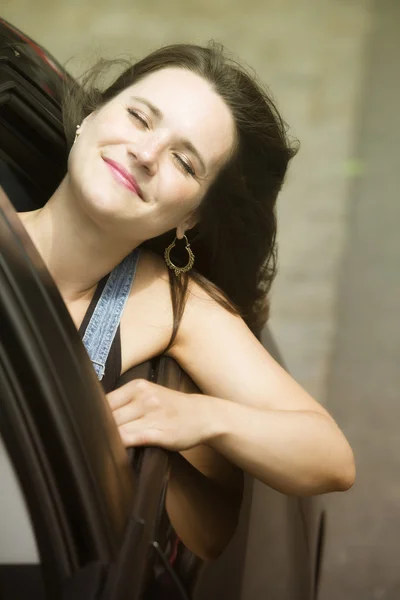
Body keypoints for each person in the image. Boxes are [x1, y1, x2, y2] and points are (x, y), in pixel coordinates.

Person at [17, 43, 355, 560]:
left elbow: (331, 459)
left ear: (190, 218)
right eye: (138, 117)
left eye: (184, 161)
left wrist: (197, 417)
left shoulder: (172, 303)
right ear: (90, 116)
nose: (146, 154)